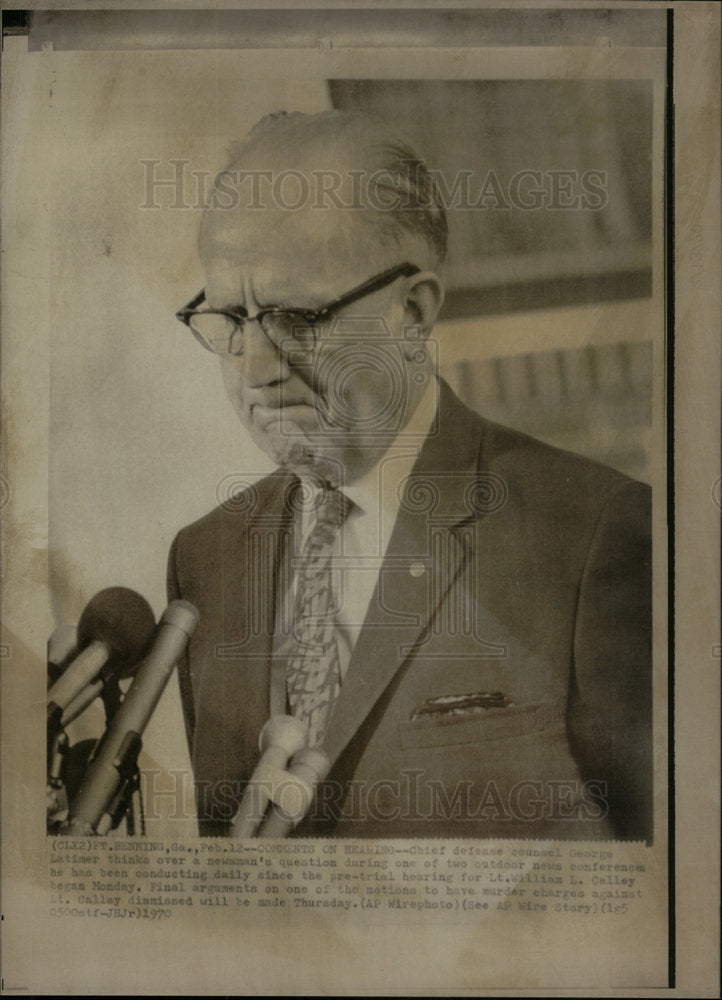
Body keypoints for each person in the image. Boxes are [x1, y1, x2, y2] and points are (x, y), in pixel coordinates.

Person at [168, 110, 652, 839]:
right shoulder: (203, 561)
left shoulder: (594, 534)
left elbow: (663, 889)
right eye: (230, 318)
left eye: (296, 317)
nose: (255, 368)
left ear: (413, 312)